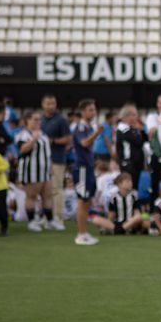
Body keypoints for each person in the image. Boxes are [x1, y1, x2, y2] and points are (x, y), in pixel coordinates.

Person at [71, 99, 100, 246]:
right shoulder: (81, 127)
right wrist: (97, 133)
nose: (93, 112)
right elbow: (84, 143)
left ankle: (84, 232)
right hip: (81, 168)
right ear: (82, 111)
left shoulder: (88, 127)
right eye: (90, 110)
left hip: (88, 167)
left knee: (87, 200)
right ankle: (80, 234)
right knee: (82, 201)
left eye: (94, 109)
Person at [40, 95, 71, 230]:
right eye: (48, 103)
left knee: (56, 189)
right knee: (44, 190)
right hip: (42, 159)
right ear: (43, 105)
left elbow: (67, 139)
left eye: (53, 103)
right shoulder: (40, 120)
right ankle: (47, 217)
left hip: (57, 158)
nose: (51, 106)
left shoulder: (61, 120)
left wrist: (52, 141)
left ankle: (58, 217)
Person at [115, 105, 147, 192]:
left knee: (135, 187)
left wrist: (141, 130)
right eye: (134, 114)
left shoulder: (132, 128)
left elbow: (145, 139)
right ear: (126, 116)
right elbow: (138, 142)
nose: (136, 117)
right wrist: (139, 129)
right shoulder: (123, 129)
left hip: (136, 162)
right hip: (128, 163)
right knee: (128, 186)